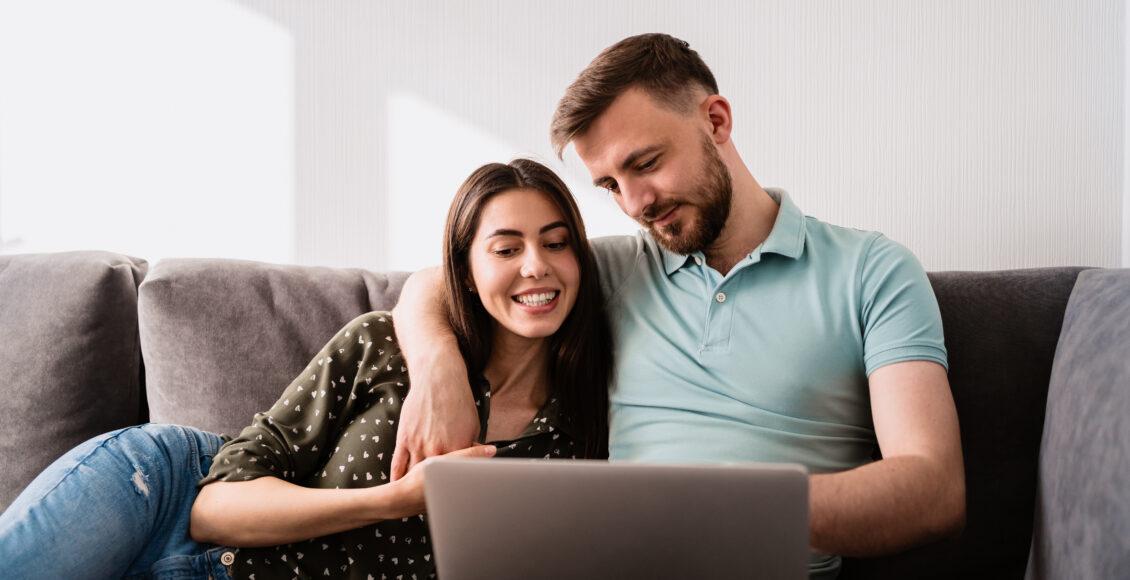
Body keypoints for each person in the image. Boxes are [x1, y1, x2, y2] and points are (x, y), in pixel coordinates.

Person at [390, 34, 965, 578]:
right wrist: (437, 371)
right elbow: (439, 283)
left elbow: (933, 490)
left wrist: (714, 512)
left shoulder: (871, 270)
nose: (636, 203)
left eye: (644, 164)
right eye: (610, 186)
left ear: (716, 120)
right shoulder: (613, 270)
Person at [0, 159, 612, 579]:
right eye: (507, 249)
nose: (536, 266)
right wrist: (394, 500)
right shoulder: (386, 346)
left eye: (556, 244)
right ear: (468, 274)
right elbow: (214, 508)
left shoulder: (579, 434)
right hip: (157, 494)